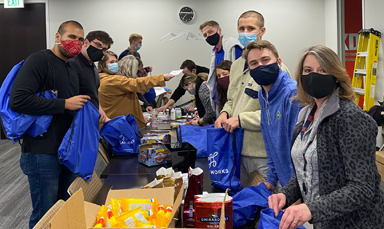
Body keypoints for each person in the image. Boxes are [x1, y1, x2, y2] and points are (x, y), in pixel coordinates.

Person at [268, 45, 384, 229]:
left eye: (322, 70)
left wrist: (311, 209)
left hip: (357, 223)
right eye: (308, 70)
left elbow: (363, 188)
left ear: (336, 76)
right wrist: (285, 194)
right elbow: (306, 170)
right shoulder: (306, 115)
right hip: (325, 222)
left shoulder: (350, 118)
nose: (314, 76)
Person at [10, 20, 89, 229]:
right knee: (45, 214)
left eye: (81, 39)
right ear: (57, 37)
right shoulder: (39, 61)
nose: (77, 43)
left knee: (64, 207)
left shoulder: (70, 67)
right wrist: (64, 104)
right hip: (41, 151)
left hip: (65, 149)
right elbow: (18, 100)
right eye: (72, 37)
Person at [215, 10, 293, 185]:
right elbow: (232, 99)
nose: (245, 32)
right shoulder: (235, 66)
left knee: (267, 205)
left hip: (264, 155)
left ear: (262, 31)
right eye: (241, 28)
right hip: (237, 149)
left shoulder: (276, 70)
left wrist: (241, 119)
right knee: (244, 202)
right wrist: (224, 113)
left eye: (251, 28)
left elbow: (277, 114)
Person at [243, 40, 301, 192]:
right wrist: (272, 179)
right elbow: (269, 141)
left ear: (279, 62)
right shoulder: (263, 95)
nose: (261, 66)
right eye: (254, 63)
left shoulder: (292, 94)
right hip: (285, 183)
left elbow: (298, 150)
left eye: (266, 60)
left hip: (299, 186)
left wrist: (294, 192)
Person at [98, 54, 174, 128]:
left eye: (116, 61)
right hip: (114, 126)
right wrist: (161, 78)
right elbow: (136, 83)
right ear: (103, 65)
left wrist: (139, 119)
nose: (115, 64)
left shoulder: (103, 78)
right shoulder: (111, 80)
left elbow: (125, 105)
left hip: (114, 123)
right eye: (111, 62)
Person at [68, 30, 113, 124]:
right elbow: (71, 97)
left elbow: (92, 93)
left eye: (104, 49)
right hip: (77, 121)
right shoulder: (73, 64)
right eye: (98, 45)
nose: (101, 50)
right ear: (86, 42)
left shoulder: (92, 66)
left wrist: (99, 109)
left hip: (91, 119)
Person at [199, 20, 243, 115]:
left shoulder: (233, 47)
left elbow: (240, 74)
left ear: (219, 30)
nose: (208, 36)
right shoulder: (215, 52)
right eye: (205, 35)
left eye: (210, 32)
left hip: (232, 99)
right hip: (219, 99)